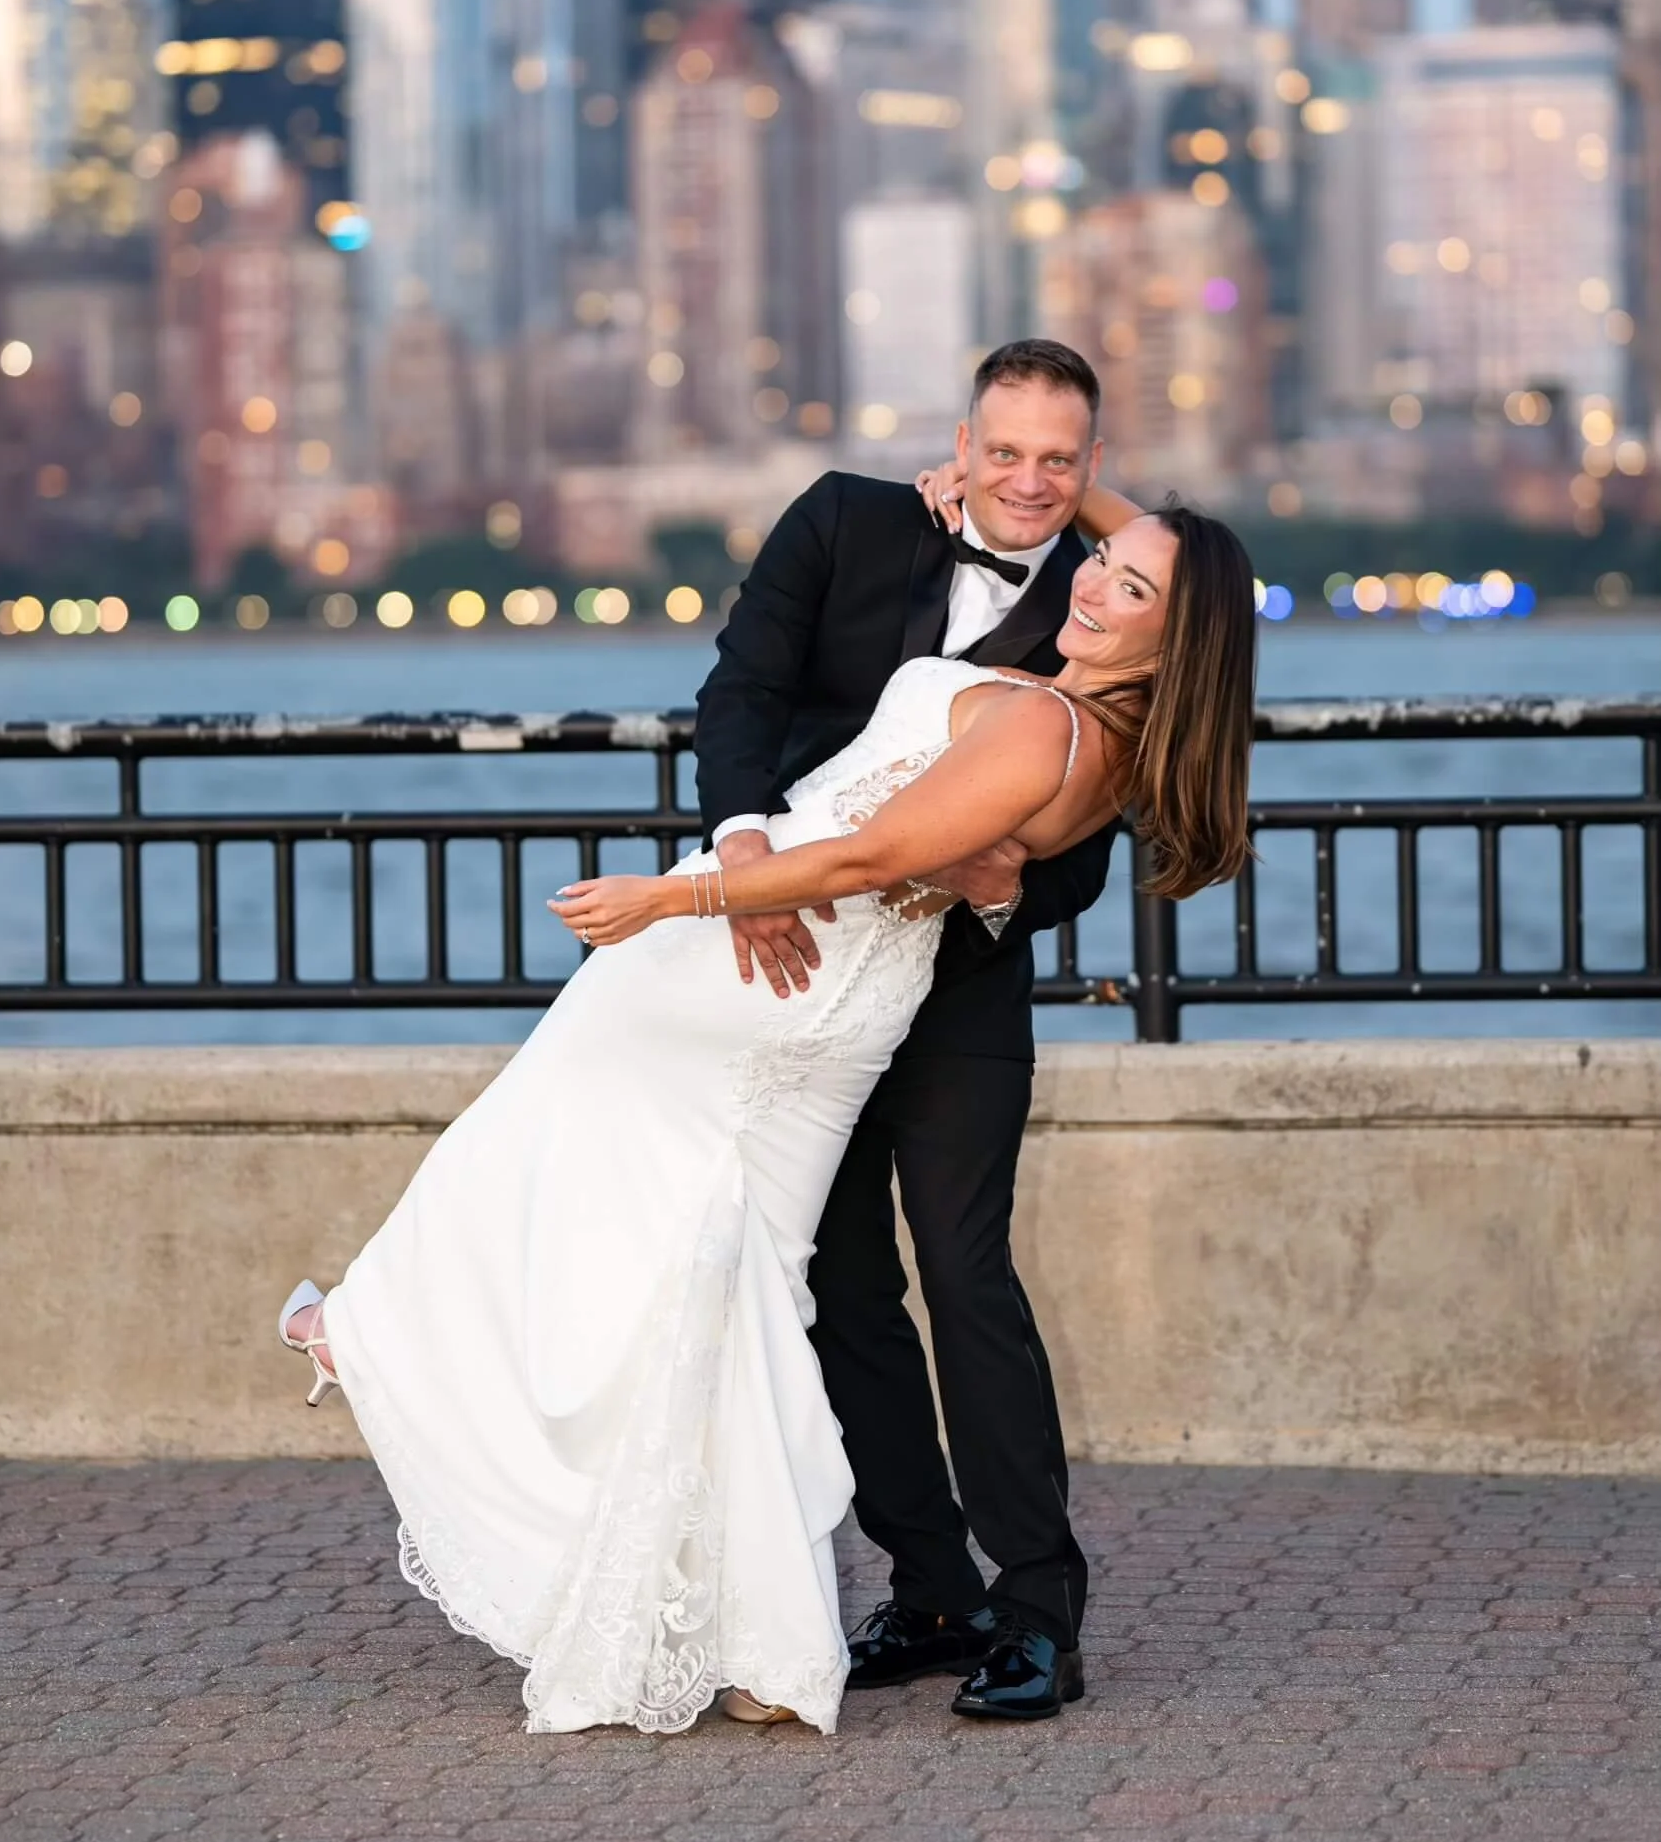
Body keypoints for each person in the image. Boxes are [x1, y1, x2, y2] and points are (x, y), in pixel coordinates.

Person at [276, 471, 1256, 1738]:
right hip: (829, 988)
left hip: (773, 959)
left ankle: (377, 1334)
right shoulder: (1085, 719)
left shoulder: (1044, 725)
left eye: (1129, 584)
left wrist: (667, 900)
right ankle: (766, 1631)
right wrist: (1074, 482)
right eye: (1096, 554)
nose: (1087, 572)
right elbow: (808, 743)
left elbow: (859, 855)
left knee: (543, 1148)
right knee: (752, 1290)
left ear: (1176, 637)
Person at [695, 340, 1119, 1719]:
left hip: (960, 985)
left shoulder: (1106, 606)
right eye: (1005, 451)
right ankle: (929, 1588)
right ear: (961, 441)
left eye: (1059, 458)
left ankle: (1038, 1610)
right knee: (837, 1280)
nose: (1029, 480)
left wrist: (1014, 886)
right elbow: (741, 693)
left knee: (964, 1269)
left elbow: (1093, 839)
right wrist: (745, 853)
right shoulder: (840, 518)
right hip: (803, 955)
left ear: (1088, 469)